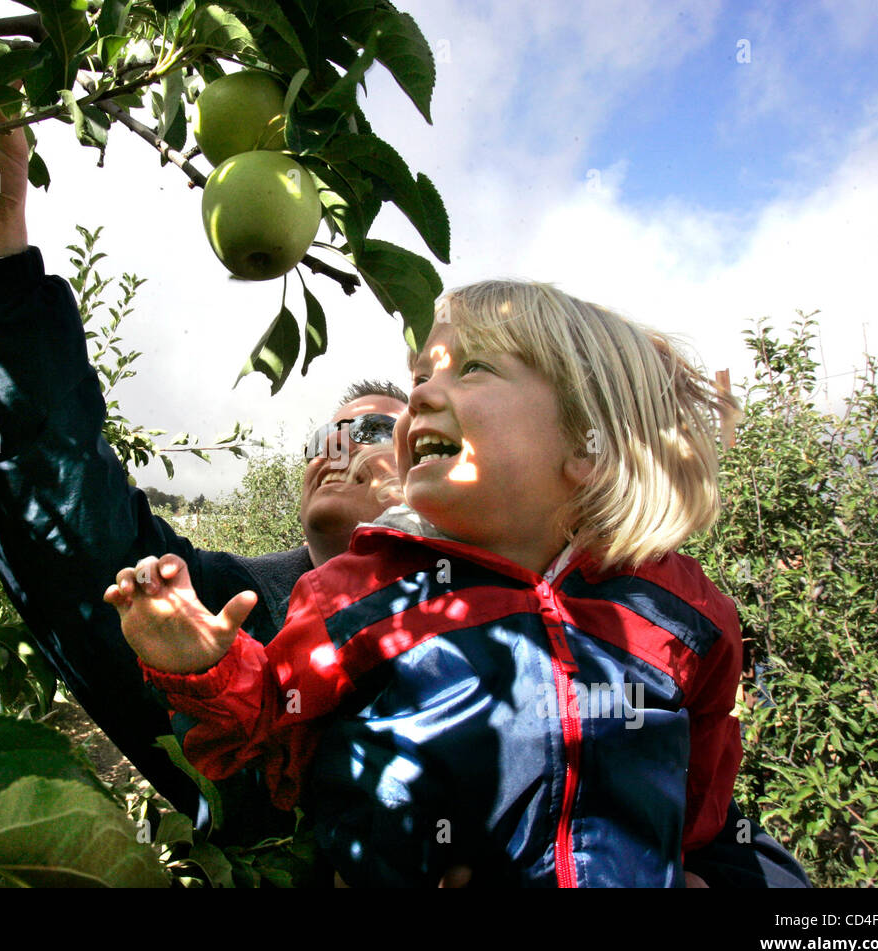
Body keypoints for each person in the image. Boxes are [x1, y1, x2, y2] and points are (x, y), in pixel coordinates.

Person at [0, 51, 808, 885]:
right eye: (322, 438)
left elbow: (712, 823)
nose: (360, 444)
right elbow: (63, 520)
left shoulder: (646, 605)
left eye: (373, 429)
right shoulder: (264, 612)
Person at [107, 279, 761, 886]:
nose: (416, 396)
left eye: (472, 368)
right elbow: (277, 721)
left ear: (588, 444)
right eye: (420, 375)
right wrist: (207, 669)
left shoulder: (680, 607)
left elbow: (704, 752)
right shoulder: (362, 591)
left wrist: (693, 862)